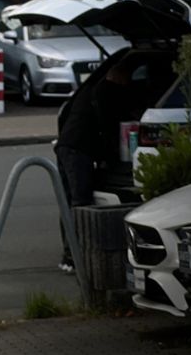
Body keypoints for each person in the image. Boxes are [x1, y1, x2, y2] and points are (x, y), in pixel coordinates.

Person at [54, 58, 137, 273]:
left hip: (65, 145)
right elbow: (107, 127)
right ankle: (77, 256)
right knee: (81, 202)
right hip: (78, 150)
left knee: (69, 201)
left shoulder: (88, 88)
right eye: (125, 81)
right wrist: (110, 158)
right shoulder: (106, 92)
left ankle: (69, 254)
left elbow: (65, 114)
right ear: (119, 79)